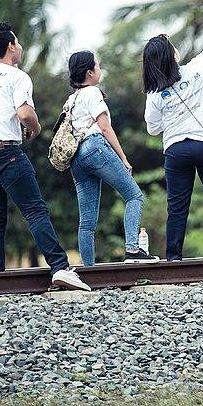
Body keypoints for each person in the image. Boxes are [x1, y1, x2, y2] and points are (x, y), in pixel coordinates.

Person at [0, 22, 90, 291]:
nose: (19, 47)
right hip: (5, 153)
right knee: (35, 210)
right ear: (10, 46)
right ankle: (60, 267)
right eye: (17, 42)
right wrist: (35, 129)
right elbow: (25, 114)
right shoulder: (17, 77)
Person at [142, 0, 203, 261]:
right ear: (171, 56)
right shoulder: (194, 71)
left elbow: (152, 129)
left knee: (177, 207)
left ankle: (174, 259)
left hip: (175, 150)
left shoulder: (154, 94)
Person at [66, 51, 159, 265]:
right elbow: (105, 128)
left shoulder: (72, 99)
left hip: (76, 159)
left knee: (87, 222)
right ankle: (133, 250)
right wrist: (123, 158)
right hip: (95, 148)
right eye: (97, 65)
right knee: (134, 196)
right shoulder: (92, 92)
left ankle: (88, 269)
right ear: (90, 72)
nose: (100, 69)